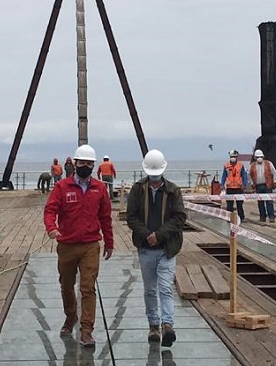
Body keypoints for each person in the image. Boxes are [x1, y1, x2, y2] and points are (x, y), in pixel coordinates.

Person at [43, 144, 114, 347]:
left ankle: (86, 330)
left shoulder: (99, 188)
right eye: (82, 162)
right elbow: (50, 210)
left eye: (89, 164)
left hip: (90, 245)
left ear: (94, 166)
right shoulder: (62, 187)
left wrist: (109, 242)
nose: (85, 166)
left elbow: (106, 217)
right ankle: (70, 315)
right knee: (66, 285)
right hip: (67, 244)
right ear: (75, 163)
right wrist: (51, 228)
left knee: (88, 287)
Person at [126, 149, 186, 347]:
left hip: (167, 249)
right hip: (146, 249)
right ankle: (153, 326)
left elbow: (179, 217)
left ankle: (167, 324)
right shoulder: (138, 190)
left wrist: (159, 235)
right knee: (150, 290)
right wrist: (147, 235)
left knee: (165, 288)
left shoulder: (173, 191)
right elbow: (131, 216)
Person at [221, 149, 250, 223]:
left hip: (238, 188)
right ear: (230, 157)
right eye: (232, 156)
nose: (233, 158)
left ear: (236, 157)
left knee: (239, 204)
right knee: (229, 205)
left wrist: (245, 184)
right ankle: (229, 218)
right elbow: (224, 176)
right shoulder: (226, 165)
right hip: (230, 188)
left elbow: (244, 175)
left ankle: (241, 218)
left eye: (234, 156)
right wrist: (222, 184)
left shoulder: (240, 165)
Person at [249, 149, 276, 223]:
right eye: (257, 157)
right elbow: (249, 175)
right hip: (258, 186)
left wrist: (275, 181)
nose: (259, 158)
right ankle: (262, 217)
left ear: (263, 157)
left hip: (267, 185)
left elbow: (274, 173)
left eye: (260, 157)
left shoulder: (268, 164)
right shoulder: (252, 165)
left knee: (269, 202)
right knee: (260, 203)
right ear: (255, 158)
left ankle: (271, 217)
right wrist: (252, 183)